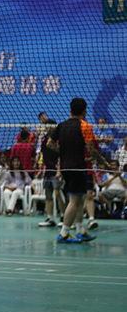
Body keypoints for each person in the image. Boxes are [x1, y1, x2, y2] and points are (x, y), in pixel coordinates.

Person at [47, 98, 108, 243]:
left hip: (66, 167)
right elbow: (91, 150)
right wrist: (102, 161)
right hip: (77, 167)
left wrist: (64, 153)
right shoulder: (85, 126)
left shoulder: (62, 125)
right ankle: (64, 234)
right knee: (74, 201)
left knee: (80, 198)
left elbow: (49, 143)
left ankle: (80, 230)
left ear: (71, 110)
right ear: (85, 111)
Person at [38, 120, 66, 227]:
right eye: (47, 127)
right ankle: (50, 218)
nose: (48, 129)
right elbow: (43, 155)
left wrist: (59, 170)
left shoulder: (59, 139)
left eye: (51, 127)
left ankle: (63, 217)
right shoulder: (43, 139)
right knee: (48, 194)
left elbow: (61, 155)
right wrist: (41, 169)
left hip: (56, 170)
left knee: (58, 193)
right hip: (47, 170)